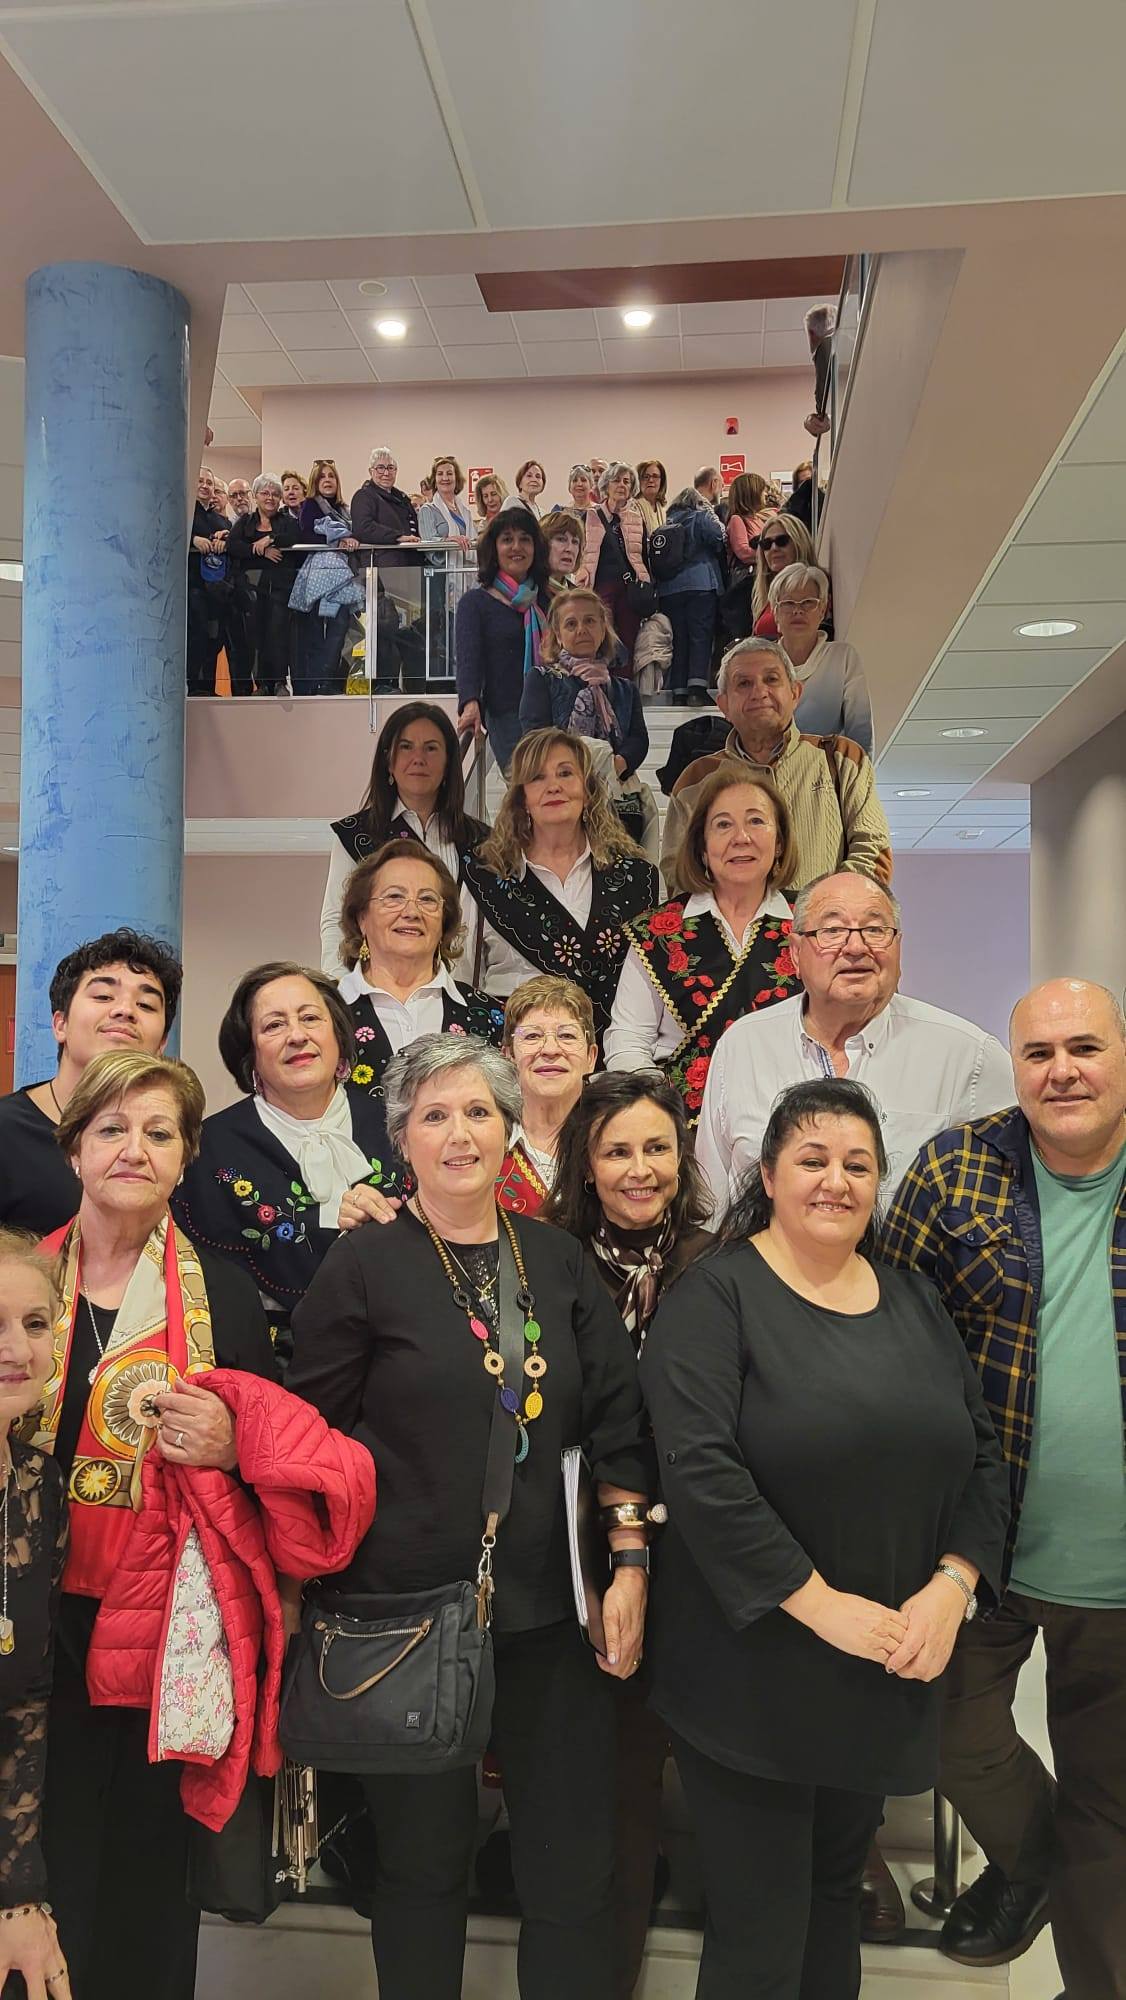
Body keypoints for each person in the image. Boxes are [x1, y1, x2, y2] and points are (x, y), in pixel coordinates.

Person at [286, 1034, 654, 2000]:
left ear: (508, 1130)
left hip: (553, 1616)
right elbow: (309, 1440)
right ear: (401, 1139)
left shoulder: (559, 1259)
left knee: (571, 1869)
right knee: (419, 1868)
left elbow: (620, 1422)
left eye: (479, 1112)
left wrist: (629, 1566)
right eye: (434, 1116)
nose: (459, 1134)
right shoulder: (363, 1266)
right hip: (404, 1619)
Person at [639, 1076, 1009, 2000]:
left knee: (836, 1902)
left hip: (881, 1667)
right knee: (760, 1935)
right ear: (767, 1174)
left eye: (857, 1163)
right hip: (754, 1672)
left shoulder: (916, 1301)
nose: (835, 1180)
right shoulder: (714, 1297)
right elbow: (702, 1474)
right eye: (812, 1159)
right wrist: (823, 1606)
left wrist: (952, 1587)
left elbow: (982, 1458)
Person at [880, 978, 1126, 1997]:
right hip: (975, 1544)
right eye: (1038, 1051)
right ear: (1013, 1065)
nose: (1060, 1068)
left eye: (1083, 1046)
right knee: (946, 1731)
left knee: (1110, 1801)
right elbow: (888, 1329)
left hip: (1113, 1576)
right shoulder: (956, 1167)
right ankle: (1043, 1867)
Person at [35, 1050, 278, 2000]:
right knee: (32, 1882)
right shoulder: (15, 1279)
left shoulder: (225, 1296)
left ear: (186, 1159)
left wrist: (229, 1446)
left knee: (146, 1893)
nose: (134, 1149)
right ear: (74, 1148)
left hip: (166, 1634)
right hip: (28, 1631)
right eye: (111, 1129)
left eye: (159, 1132)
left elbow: (273, 1466)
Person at [545, 1073, 712, 1999]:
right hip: (571, 1544)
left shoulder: (718, 1260)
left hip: (687, 1543)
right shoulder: (548, 1258)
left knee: (648, 1750)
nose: (639, 1169)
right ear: (586, 1163)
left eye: (656, 1148)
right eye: (616, 1150)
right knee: (598, 1761)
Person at [695, 869, 1015, 1214]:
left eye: (875, 930)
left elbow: (1016, 1194)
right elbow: (711, 1202)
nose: (856, 947)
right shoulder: (744, 1045)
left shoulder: (969, 1057)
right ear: (796, 954)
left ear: (898, 947)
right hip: (760, 1265)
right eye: (832, 931)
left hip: (906, 1266)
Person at [172, 964, 403, 1343]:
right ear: (251, 1053)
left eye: (310, 1018)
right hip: (269, 1364)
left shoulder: (401, 1126)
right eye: (273, 1025)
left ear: (338, 1036)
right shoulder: (209, 1147)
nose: (297, 1036)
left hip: (400, 1354)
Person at [606, 772, 799, 1120]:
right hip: (680, 1131)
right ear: (701, 846)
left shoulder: (812, 927)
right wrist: (658, 1115)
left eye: (756, 821)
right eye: (723, 825)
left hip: (792, 1124)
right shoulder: (657, 932)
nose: (741, 838)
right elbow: (628, 1039)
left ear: (780, 842)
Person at [461, 729, 658, 1044]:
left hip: (614, 1055)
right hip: (512, 1054)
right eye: (537, 777)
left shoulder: (637, 878)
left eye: (565, 773)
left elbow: (653, 985)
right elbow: (463, 979)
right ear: (522, 797)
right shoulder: (484, 876)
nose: (553, 786)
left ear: (588, 789)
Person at [660, 639, 892, 894]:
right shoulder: (696, 779)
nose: (759, 692)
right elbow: (678, 873)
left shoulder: (841, 759)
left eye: (771, 679)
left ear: (795, 693)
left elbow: (873, 848)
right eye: (744, 683)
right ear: (724, 705)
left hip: (827, 929)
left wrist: (825, 913)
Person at [0, 927, 183, 1235]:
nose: (125, 1010)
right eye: (103, 996)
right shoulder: (6, 1131)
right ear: (61, 1024)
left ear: (162, 1044)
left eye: (146, 1005)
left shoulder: (174, 1139)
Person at [0, 1233, 70, 2000]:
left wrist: (18, 1895)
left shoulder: (37, 1483)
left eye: (36, 1323)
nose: (15, 1348)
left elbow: (25, 1700)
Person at [319, 699, 489, 981]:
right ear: (388, 760)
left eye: (431, 748)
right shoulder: (356, 835)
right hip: (378, 998)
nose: (418, 758)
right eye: (406, 747)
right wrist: (339, 992)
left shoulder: (480, 840)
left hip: (456, 998)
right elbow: (334, 921)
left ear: (449, 762)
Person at [337, 840, 504, 1099]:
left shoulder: (490, 1016)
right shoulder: (324, 1013)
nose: (412, 911)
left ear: (443, 922)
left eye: (427, 899)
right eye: (394, 897)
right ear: (362, 918)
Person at [520, 591, 648, 793]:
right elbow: (535, 737)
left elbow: (639, 739)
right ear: (558, 635)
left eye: (589, 621)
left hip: (615, 791)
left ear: (603, 629)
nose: (581, 630)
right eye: (571, 624)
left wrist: (615, 765)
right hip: (560, 790)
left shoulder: (625, 689)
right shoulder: (542, 679)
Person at [455, 512, 551, 777]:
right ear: (494, 549)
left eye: (525, 539)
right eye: (507, 539)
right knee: (527, 791)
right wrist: (470, 703)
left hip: (554, 712)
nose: (516, 547)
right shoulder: (475, 603)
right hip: (506, 714)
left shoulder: (548, 599)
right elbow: (468, 660)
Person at [495, 975, 597, 1213]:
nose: (550, 1050)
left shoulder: (613, 1139)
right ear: (508, 1056)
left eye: (567, 1036)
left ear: (591, 1057)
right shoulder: (483, 1143)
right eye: (532, 1036)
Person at [771, 563, 873, 755]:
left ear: (823, 609)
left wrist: (860, 780)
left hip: (828, 776)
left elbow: (861, 730)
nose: (798, 611)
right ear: (775, 612)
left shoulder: (842, 657)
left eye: (808, 602)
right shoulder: (764, 663)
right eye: (788, 603)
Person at [224, 473, 300, 696]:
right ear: (256, 496)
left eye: (276, 494)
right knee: (255, 637)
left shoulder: (287, 522)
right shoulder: (246, 523)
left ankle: (278, 682)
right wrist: (257, 550)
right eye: (265, 493)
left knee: (277, 634)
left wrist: (270, 539)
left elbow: (294, 536)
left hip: (280, 588)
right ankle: (262, 684)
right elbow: (233, 545)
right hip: (251, 589)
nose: (271, 498)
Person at [291, 459, 362, 696]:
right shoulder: (310, 505)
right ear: (315, 482)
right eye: (322, 476)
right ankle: (317, 681)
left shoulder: (344, 509)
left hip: (341, 577)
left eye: (331, 475)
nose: (328, 480)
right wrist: (337, 540)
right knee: (315, 631)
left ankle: (328, 678)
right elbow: (307, 534)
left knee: (339, 626)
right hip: (319, 577)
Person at [578, 463, 652, 675]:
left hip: (630, 589)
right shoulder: (591, 516)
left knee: (629, 641)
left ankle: (625, 688)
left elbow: (643, 555)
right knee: (604, 639)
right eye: (617, 480)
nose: (621, 485)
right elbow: (582, 551)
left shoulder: (637, 519)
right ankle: (602, 687)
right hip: (601, 586)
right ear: (606, 486)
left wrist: (646, 583)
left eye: (627, 481)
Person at [659, 486, 726, 702]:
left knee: (678, 638)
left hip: (668, 589)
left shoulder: (666, 521)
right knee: (700, 635)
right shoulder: (700, 516)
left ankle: (678, 691)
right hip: (700, 584)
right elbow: (718, 537)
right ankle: (697, 688)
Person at [186, 467, 229, 697]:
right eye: (200, 481)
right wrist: (192, 540)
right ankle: (192, 686)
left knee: (214, 638)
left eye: (209, 483)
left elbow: (235, 537)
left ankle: (208, 687)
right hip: (193, 587)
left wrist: (226, 539)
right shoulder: (184, 514)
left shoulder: (218, 519)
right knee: (197, 635)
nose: (204, 486)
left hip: (216, 590)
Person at [349, 446, 421, 558]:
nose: (386, 473)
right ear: (370, 471)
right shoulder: (363, 496)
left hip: (411, 564)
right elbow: (363, 528)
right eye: (380, 468)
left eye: (390, 468)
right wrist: (397, 537)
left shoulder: (403, 499)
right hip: (380, 565)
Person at [752, 514, 816, 638]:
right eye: (766, 544)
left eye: (782, 541)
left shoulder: (812, 586)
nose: (774, 548)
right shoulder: (767, 591)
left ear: (798, 543)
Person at [418, 454, 473, 551]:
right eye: (440, 474)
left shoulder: (465, 512)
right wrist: (447, 541)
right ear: (434, 480)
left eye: (449, 473)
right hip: (440, 565)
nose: (445, 478)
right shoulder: (427, 510)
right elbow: (428, 545)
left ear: (457, 478)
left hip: (467, 565)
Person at [803, 302, 837, 439]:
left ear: (811, 333)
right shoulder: (855, 344)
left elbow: (823, 419)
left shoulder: (825, 349)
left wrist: (813, 422)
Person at [540, 508, 585, 594]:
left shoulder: (579, 598)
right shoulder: (528, 593)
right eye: (561, 539)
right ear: (542, 544)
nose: (570, 549)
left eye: (575, 542)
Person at [634, 460, 668, 537]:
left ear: (661, 481)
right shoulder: (632, 508)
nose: (651, 480)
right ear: (638, 480)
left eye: (655, 476)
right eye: (646, 477)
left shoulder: (664, 511)